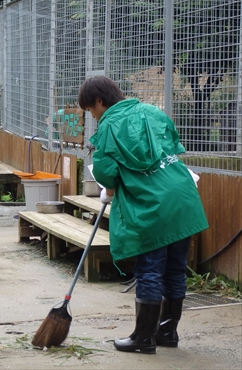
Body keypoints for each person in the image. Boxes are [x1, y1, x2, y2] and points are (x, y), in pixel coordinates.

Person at [78, 75, 208, 355]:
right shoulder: (151, 111)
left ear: (99, 101)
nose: (93, 116)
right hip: (183, 197)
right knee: (175, 270)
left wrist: (109, 190)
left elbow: (106, 172)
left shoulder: (109, 126)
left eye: (90, 109)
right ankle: (167, 332)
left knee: (150, 270)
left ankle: (143, 337)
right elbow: (171, 145)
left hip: (154, 204)